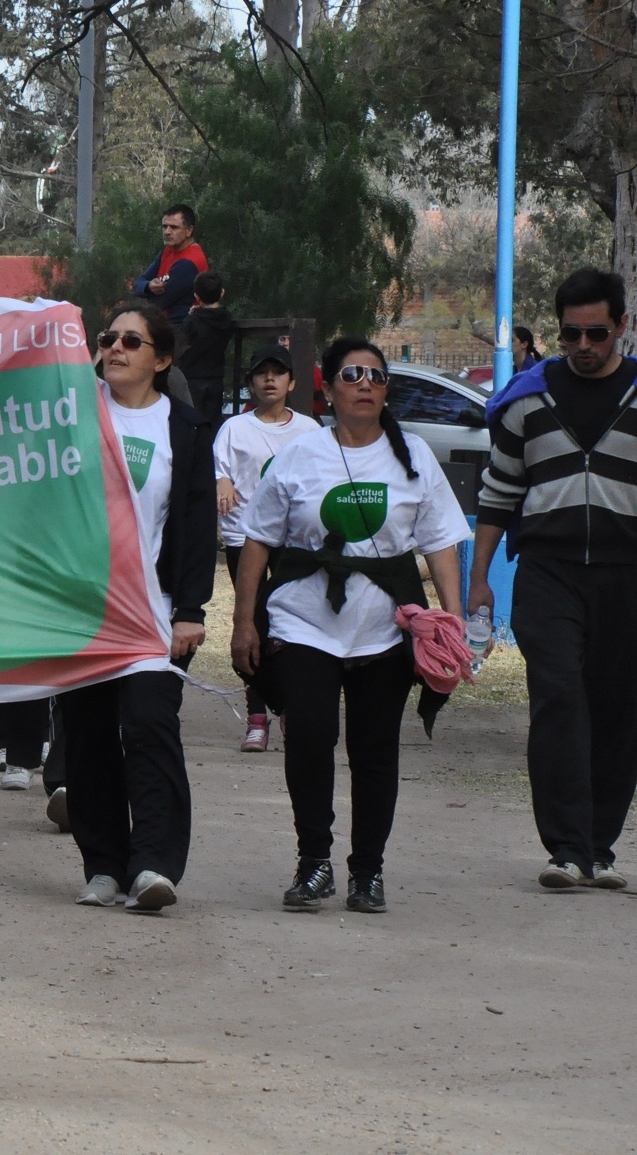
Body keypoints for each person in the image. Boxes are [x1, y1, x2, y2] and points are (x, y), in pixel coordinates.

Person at [235, 336, 467, 914]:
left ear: (386, 391)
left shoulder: (414, 455)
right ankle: (314, 862)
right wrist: (244, 621)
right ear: (330, 389)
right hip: (304, 622)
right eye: (352, 375)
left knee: (374, 750)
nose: (365, 384)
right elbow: (258, 541)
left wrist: (452, 621)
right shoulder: (298, 456)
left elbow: (440, 544)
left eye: (376, 376)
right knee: (310, 736)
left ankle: (368, 871)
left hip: (385, 627)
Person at [472, 268, 637, 890]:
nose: (585, 345)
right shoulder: (525, 400)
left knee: (620, 710)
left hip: (628, 575)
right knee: (560, 699)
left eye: (598, 332)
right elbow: (499, 491)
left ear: (621, 326)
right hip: (548, 573)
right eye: (572, 334)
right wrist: (479, 578)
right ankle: (566, 849)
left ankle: (600, 846)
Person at [63, 300, 215, 911]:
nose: (116, 349)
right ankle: (103, 865)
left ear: (163, 358)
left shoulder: (186, 427)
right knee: (89, 738)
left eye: (132, 340)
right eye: (108, 338)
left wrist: (191, 609)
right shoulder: (72, 414)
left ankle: (153, 864)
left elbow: (197, 524)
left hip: (152, 614)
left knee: (150, 727)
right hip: (80, 611)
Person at [212, 342, 322, 752]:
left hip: (294, 542)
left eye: (278, 373)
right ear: (250, 384)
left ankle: (291, 708)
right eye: (262, 374)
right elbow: (219, 471)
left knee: (291, 627)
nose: (269, 380)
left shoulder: (309, 431)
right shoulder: (234, 429)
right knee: (252, 625)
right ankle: (257, 717)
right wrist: (221, 482)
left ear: (292, 383)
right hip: (246, 536)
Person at [130, 204, 209, 325]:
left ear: (189, 230)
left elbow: (158, 302)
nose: (167, 232)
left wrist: (145, 291)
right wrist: (148, 286)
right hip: (163, 327)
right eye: (164, 226)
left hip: (181, 330)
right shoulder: (168, 251)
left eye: (174, 227)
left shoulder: (189, 261)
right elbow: (137, 284)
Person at [176, 272, 233, 424]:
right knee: (212, 421)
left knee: (191, 419)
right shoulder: (227, 319)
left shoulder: (192, 322)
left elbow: (180, 347)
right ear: (222, 293)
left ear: (196, 296)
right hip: (216, 377)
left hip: (192, 378)